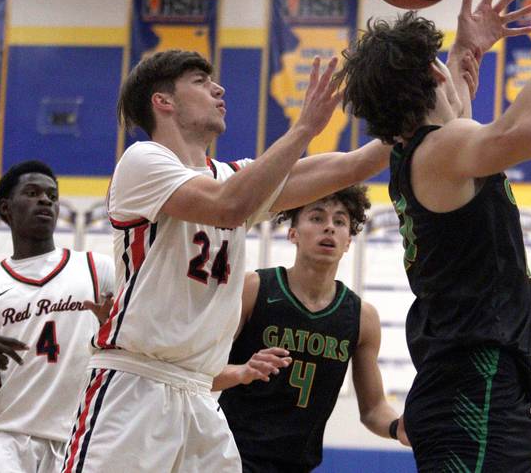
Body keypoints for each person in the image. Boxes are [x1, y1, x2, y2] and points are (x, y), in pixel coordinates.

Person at [60, 46, 473, 472]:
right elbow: (228, 207)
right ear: (162, 101)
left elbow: (350, 166)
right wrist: (303, 130)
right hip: (136, 384)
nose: (218, 88)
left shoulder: (234, 176)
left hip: (200, 398)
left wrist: (437, 105)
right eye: (200, 82)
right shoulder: (143, 161)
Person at [334, 0, 531, 472]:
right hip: (470, 398)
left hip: (482, 396)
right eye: (442, 67)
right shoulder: (442, 150)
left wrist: (467, 48)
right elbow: (525, 131)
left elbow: (455, 100)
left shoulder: (420, 150)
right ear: (432, 78)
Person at [215, 185, 409, 472]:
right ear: (293, 233)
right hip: (228, 457)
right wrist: (241, 371)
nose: (329, 228)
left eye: (340, 221)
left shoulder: (361, 317)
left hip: (297, 464)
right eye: (317, 218)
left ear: (348, 242)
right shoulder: (254, 289)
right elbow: (199, 374)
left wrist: (397, 427)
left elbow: (373, 409)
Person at [0, 161, 115, 473]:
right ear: (6, 209)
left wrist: (113, 331)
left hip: (80, 437)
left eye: (52, 195)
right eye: (32, 193)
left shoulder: (96, 269)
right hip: (7, 441)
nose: (45, 200)